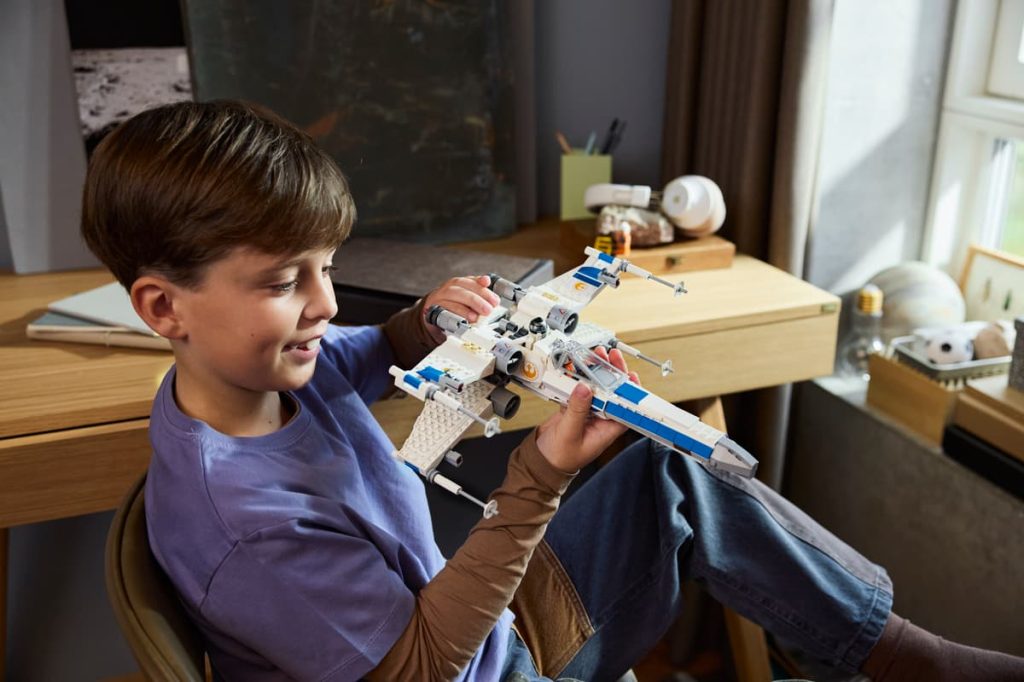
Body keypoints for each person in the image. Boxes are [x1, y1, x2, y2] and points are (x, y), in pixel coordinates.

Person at [81, 100, 1023, 682]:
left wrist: (423, 321)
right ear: (164, 306)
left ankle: (902, 656)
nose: (325, 304)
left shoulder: (254, 376)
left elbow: (364, 354)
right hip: (462, 666)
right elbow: (421, 669)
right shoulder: (248, 525)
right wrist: (537, 478)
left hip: (474, 628)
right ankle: (896, 659)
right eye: (286, 281)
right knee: (665, 476)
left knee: (673, 467)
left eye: (327, 266)